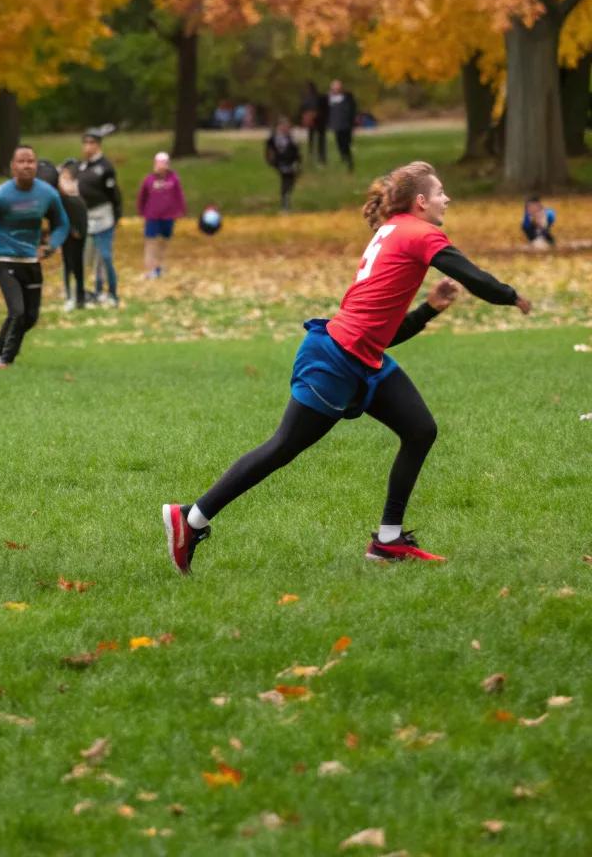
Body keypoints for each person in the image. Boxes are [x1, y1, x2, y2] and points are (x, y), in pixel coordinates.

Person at [162, 160, 531, 574]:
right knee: (283, 446)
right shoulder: (420, 232)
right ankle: (191, 518)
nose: (448, 198)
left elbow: (383, 336)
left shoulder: (393, 230)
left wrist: (428, 309)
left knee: (420, 429)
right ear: (422, 201)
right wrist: (510, 295)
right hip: (335, 361)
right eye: (441, 192)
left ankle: (388, 540)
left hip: (362, 359)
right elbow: (473, 275)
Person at [0, 145, 69, 368]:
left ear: (36, 165)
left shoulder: (47, 194)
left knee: (30, 317)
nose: (26, 165)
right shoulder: (1, 195)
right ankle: (3, 359)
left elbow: (62, 223)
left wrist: (51, 245)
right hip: (5, 261)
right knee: (17, 311)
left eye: (31, 161)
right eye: (21, 161)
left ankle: (0, 356)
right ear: (13, 166)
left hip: (32, 261)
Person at [78, 128, 122, 306]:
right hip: (87, 217)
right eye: (85, 143)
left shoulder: (105, 167)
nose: (88, 147)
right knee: (90, 258)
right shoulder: (81, 167)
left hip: (104, 216)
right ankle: (96, 291)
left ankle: (112, 293)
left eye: (92, 143)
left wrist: (116, 215)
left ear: (98, 145)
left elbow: (114, 194)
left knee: (105, 256)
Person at [136, 152, 186, 279]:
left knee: (164, 242)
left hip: (168, 216)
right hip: (152, 216)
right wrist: (141, 211)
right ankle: (150, 269)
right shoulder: (149, 179)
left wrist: (180, 210)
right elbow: (142, 196)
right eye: (158, 163)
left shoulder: (173, 179)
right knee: (151, 242)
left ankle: (160, 266)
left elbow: (179, 195)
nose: (160, 166)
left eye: (163, 163)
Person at [57, 161, 88, 311]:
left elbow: (81, 219)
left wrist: (78, 230)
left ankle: (79, 297)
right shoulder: (62, 199)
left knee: (78, 266)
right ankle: (70, 296)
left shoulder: (77, 199)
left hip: (77, 236)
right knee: (67, 265)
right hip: (66, 236)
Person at [265, 117, 302, 212]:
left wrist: (298, 162)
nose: (285, 129)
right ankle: (285, 201)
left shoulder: (291, 139)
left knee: (291, 181)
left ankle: (286, 197)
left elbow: (297, 152)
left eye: (287, 127)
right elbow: (269, 151)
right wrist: (271, 161)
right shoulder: (273, 139)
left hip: (291, 163)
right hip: (280, 163)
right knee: (285, 181)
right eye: (283, 126)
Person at [327, 78, 357, 170]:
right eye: (334, 88)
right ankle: (344, 157)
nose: (336, 89)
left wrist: (352, 121)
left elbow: (353, 109)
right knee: (339, 142)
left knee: (346, 142)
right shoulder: (330, 98)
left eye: (338, 87)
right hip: (337, 125)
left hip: (346, 124)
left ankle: (349, 161)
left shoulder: (347, 97)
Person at [300, 80, 328, 164]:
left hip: (319, 121)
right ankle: (315, 157)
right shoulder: (307, 98)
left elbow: (324, 109)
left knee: (318, 141)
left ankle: (320, 158)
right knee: (314, 140)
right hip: (313, 122)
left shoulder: (317, 98)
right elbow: (303, 110)